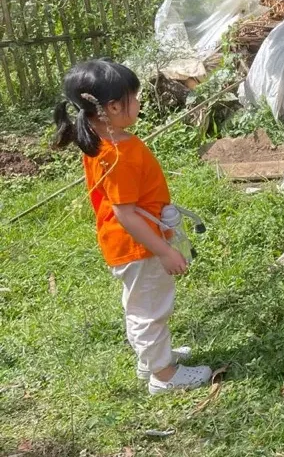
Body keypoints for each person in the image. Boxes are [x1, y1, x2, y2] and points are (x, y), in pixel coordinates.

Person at [52, 59, 212, 395]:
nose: (138, 104)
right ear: (111, 107)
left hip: (128, 244)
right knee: (150, 308)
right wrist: (164, 250)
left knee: (141, 302)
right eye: (134, 97)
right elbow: (126, 214)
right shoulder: (119, 154)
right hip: (139, 245)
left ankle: (151, 357)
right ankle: (164, 375)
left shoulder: (99, 140)